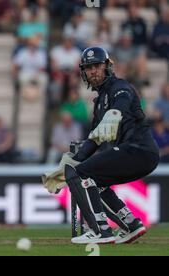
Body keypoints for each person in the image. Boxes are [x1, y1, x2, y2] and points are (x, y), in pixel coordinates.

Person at [42, 47, 159, 244]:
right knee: (94, 180)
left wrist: (114, 114)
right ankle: (131, 225)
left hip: (139, 149)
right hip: (134, 154)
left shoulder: (119, 86)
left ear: (107, 67)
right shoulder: (98, 103)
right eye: (89, 68)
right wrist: (67, 165)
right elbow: (94, 141)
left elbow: (122, 100)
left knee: (82, 174)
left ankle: (100, 230)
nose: (93, 71)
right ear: (84, 72)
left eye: (97, 66)